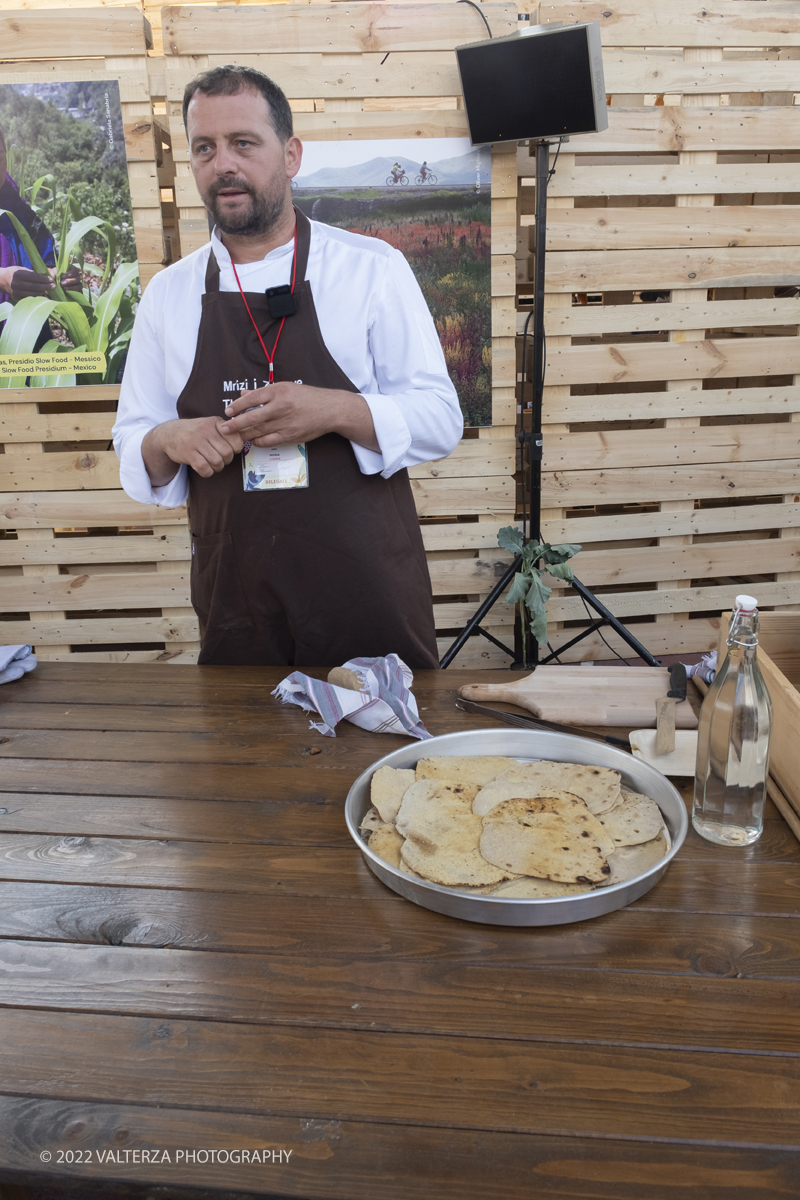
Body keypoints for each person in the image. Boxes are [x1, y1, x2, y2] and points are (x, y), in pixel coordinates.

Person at [112, 65, 463, 668]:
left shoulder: (372, 269)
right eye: (205, 148)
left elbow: (439, 420)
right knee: (245, 759)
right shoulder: (168, 295)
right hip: (235, 595)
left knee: (377, 755)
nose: (223, 163)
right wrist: (169, 439)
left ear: (291, 154)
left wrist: (331, 410)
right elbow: (133, 441)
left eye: (244, 143)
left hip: (362, 586)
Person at [0, 124, 81, 313]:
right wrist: (3, 279)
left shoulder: (12, 202)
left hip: (28, 328)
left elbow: (42, 243)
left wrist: (58, 274)